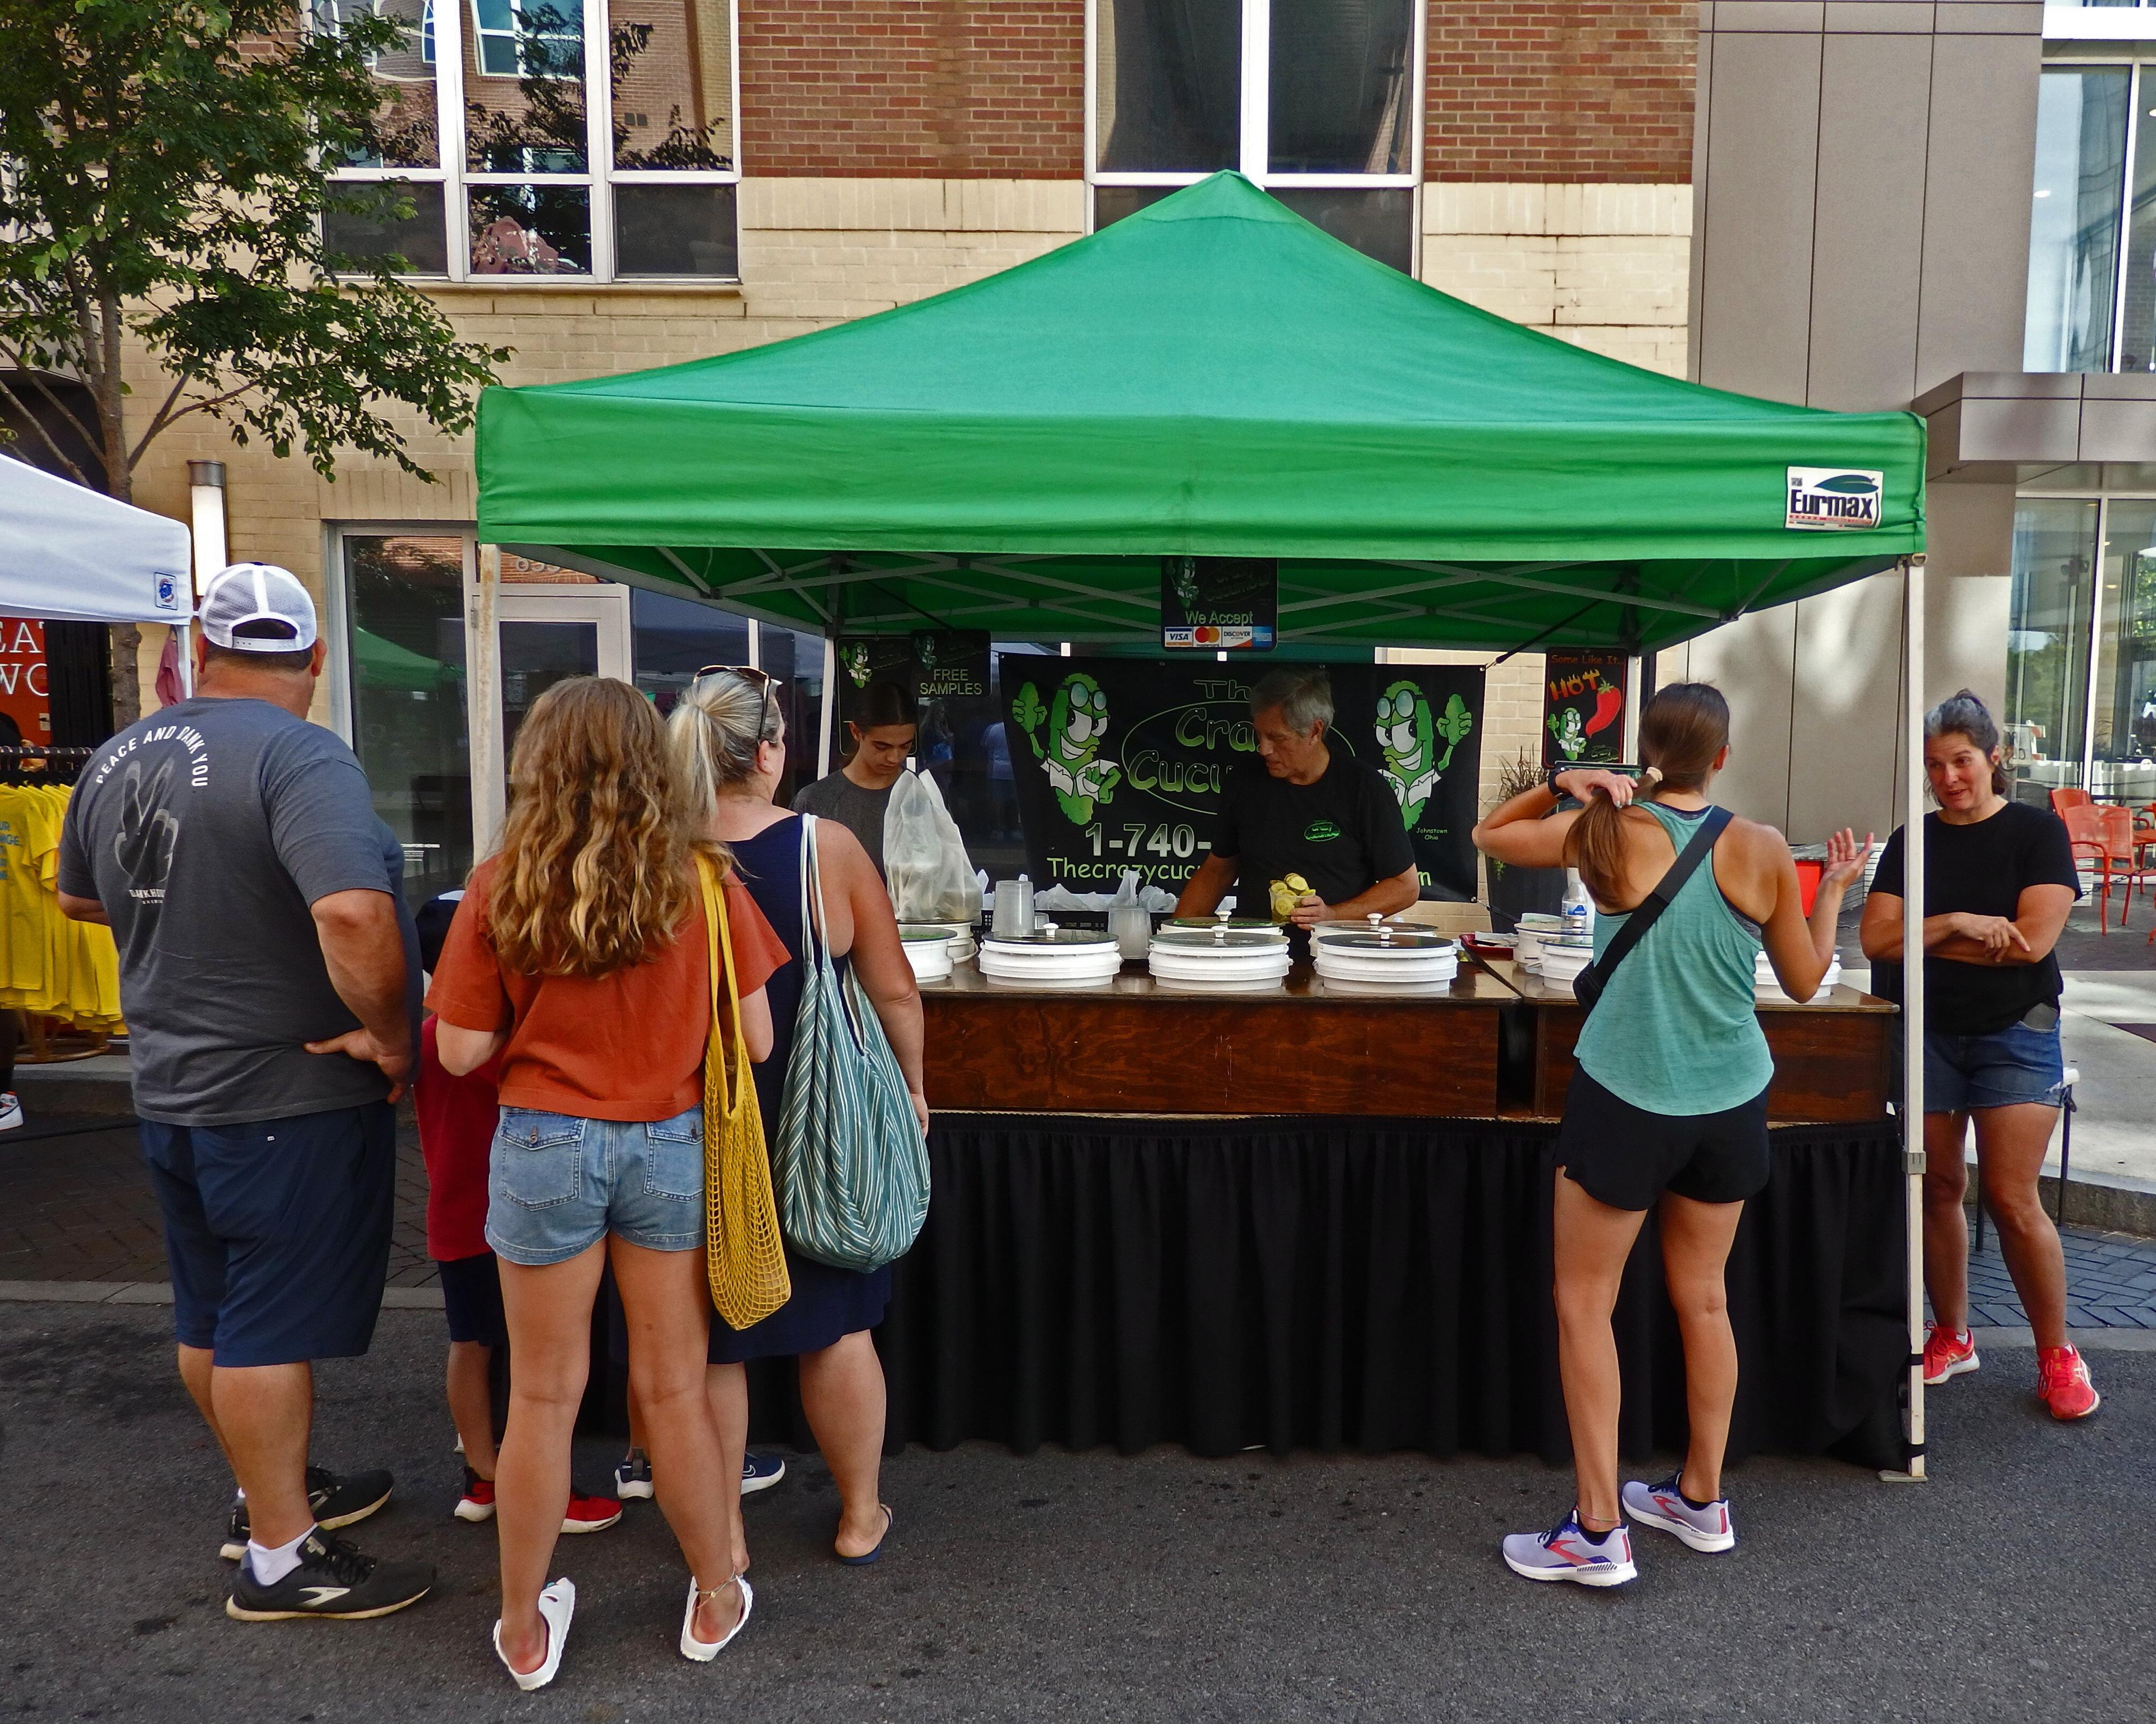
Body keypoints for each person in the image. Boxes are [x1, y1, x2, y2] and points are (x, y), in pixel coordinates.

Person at [54, 563, 430, 1621]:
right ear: (314, 658)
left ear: (202, 652)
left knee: (211, 1310)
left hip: (172, 1084)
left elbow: (77, 897)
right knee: (266, 1321)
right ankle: (280, 1556)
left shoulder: (121, 751)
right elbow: (354, 914)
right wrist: (396, 1039)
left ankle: (267, 1493)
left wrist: (184, 922)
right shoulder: (302, 755)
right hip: (281, 1087)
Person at [426, 676, 788, 1689]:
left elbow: (458, 1050)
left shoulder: (502, 885)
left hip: (543, 1144)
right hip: (668, 1144)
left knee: (541, 1395)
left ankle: (525, 1627)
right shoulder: (705, 881)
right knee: (672, 1387)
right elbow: (756, 1038)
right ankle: (715, 1593)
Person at [1472, 683, 1869, 1587]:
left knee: (1585, 1303)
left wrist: (1568, 782)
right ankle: (1700, 1498)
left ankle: (1600, 1527)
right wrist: (1834, 890)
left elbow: (1490, 836)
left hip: (1629, 1094)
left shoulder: (1606, 831)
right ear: (1723, 757)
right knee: (1705, 1299)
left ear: (1643, 752)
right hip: (1730, 1102)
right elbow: (1805, 982)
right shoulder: (1763, 846)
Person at [668, 666, 928, 1571]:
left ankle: (727, 1536)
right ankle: (860, 1514)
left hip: (687, 1112)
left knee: (713, 1342)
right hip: (808, 1116)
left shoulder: (656, 846)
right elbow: (894, 988)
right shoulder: (825, 847)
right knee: (835, 1322)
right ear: (771, 750)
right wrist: (916, 1087)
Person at [1860, 690, 2096, 1420]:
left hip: (2015, 1030)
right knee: (1936, 1186)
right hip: (1927, 1027)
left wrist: (1923, 936)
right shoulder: (1913, 839)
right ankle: (1952, 1333)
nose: (1949, 776)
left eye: (1961, 759)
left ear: (1994, 757)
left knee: (2011, 1196)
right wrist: (1962, 922)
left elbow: (2029, 942)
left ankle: (2058, 1352)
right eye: (1935, 764)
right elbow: (1875, 941)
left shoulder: (2037, 832)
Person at [411, 893, 623, 1533]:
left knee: (470, 1343)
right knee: (544, 1370)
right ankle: (550, 1492)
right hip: (522, 1217)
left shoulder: (423, 1037)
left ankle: (480, 1472)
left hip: (453, 1212)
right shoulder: (497, 1046)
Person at [1175, 667, 1419, 931]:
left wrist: (1332, 915)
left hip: (1334, 952)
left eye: (1277, 738)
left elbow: (1404, 887)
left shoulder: (1364, 787)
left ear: (1315, 731)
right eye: (1259, 734)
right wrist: (1173, 936)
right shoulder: (1244, 780)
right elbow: (1217, 871)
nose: (1264, 749)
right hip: (1254, 951)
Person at [791, 680, 918, 877]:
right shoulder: (816, 800)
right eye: (882, 746)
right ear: (856, 732)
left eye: (905, 747)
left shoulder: (922, 796)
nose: (894, 758)